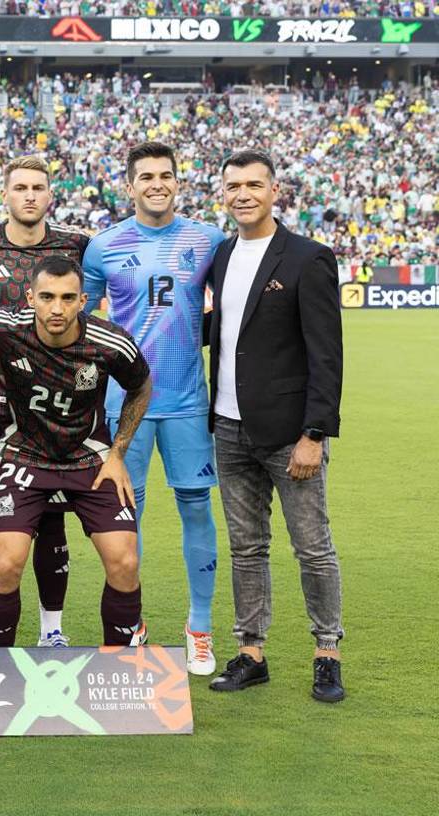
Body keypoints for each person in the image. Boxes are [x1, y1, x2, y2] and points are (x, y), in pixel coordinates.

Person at [0, 256, 152, 647]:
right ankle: (0, 665)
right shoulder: (4, 326)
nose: (57, 308)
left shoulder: (109, 341)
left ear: (84, 300)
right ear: (30, 298)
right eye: (47, 297)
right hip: (24, 456)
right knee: (7, 563)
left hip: (89, 457)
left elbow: (142, 386)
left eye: (67, 298)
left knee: (125, 561)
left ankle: (119, 665)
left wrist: (117, 453)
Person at [82, 141, 227, 676]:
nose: (157, 184)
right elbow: (81, 317)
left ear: (177, 180)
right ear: (131, 184)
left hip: (188, 401)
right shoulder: (104, 245)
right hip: (126, 406)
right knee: (127, 515)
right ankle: (133, 621)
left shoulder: (207, 240)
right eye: (146, 176)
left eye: (165, 175)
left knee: (196, 508)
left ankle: (200, 626)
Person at [206, 150, 345, 703]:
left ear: (274, 191)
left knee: (312, 548)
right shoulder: (221, 255)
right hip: (229, 427)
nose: (243, 194)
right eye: (233, 185)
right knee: (246, 548)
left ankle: (327, 653)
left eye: (253, 185)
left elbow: (326, 354)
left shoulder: (308, 258)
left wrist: (315, 433)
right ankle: (252, 652)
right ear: (223, 193)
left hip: (290, 433)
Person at [0, 155, 88, 648]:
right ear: (4, 194)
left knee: (52, 516)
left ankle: (52, 630)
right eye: (20, 187)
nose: (29, 196)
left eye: (38, 188)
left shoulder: (76, 245)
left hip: (57, 408)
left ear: (50, 195)